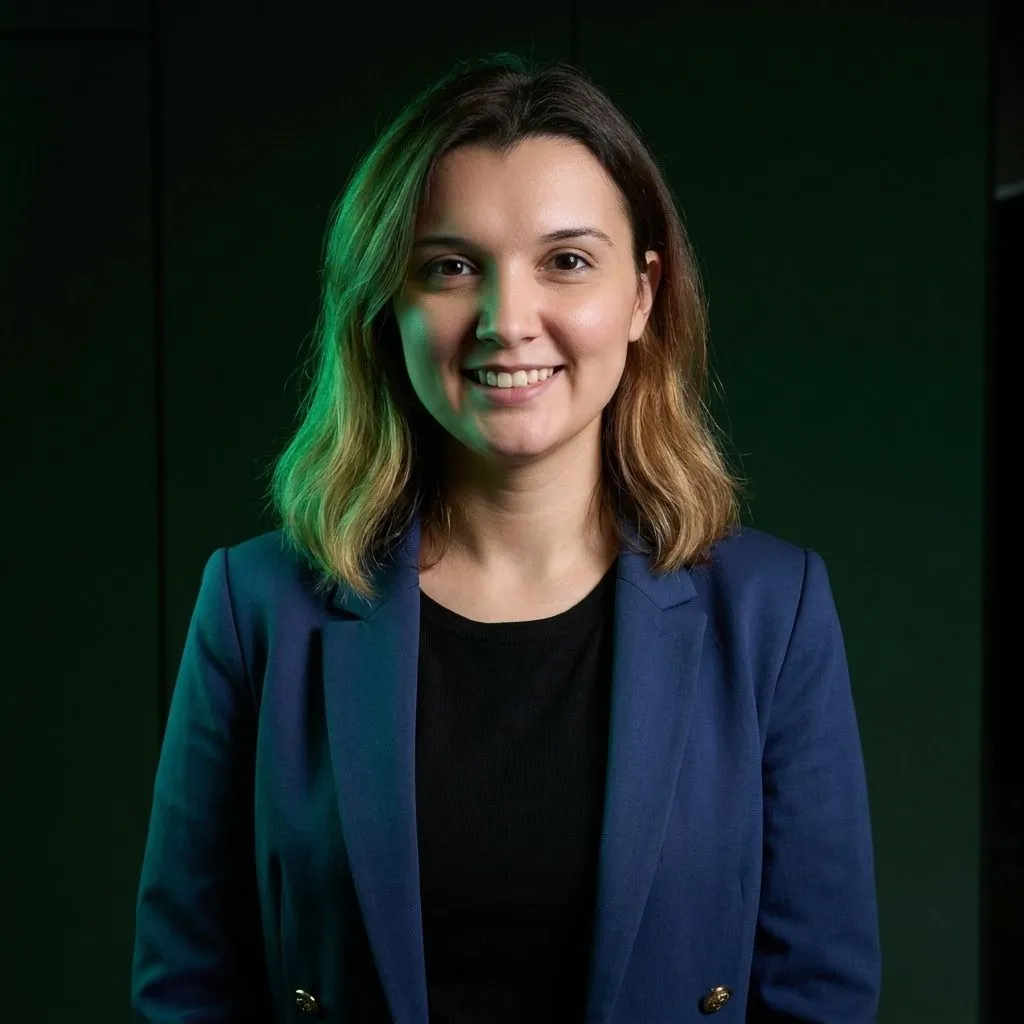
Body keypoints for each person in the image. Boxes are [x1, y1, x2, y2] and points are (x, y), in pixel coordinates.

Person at [131, 52, 881, 1023]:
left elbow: (820, 995)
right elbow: (187, 990)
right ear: (386, 302)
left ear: (642, 294)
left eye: (565, 261)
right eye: (450, 267)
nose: (505, 320)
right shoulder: (254, 605)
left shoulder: (772, 612)